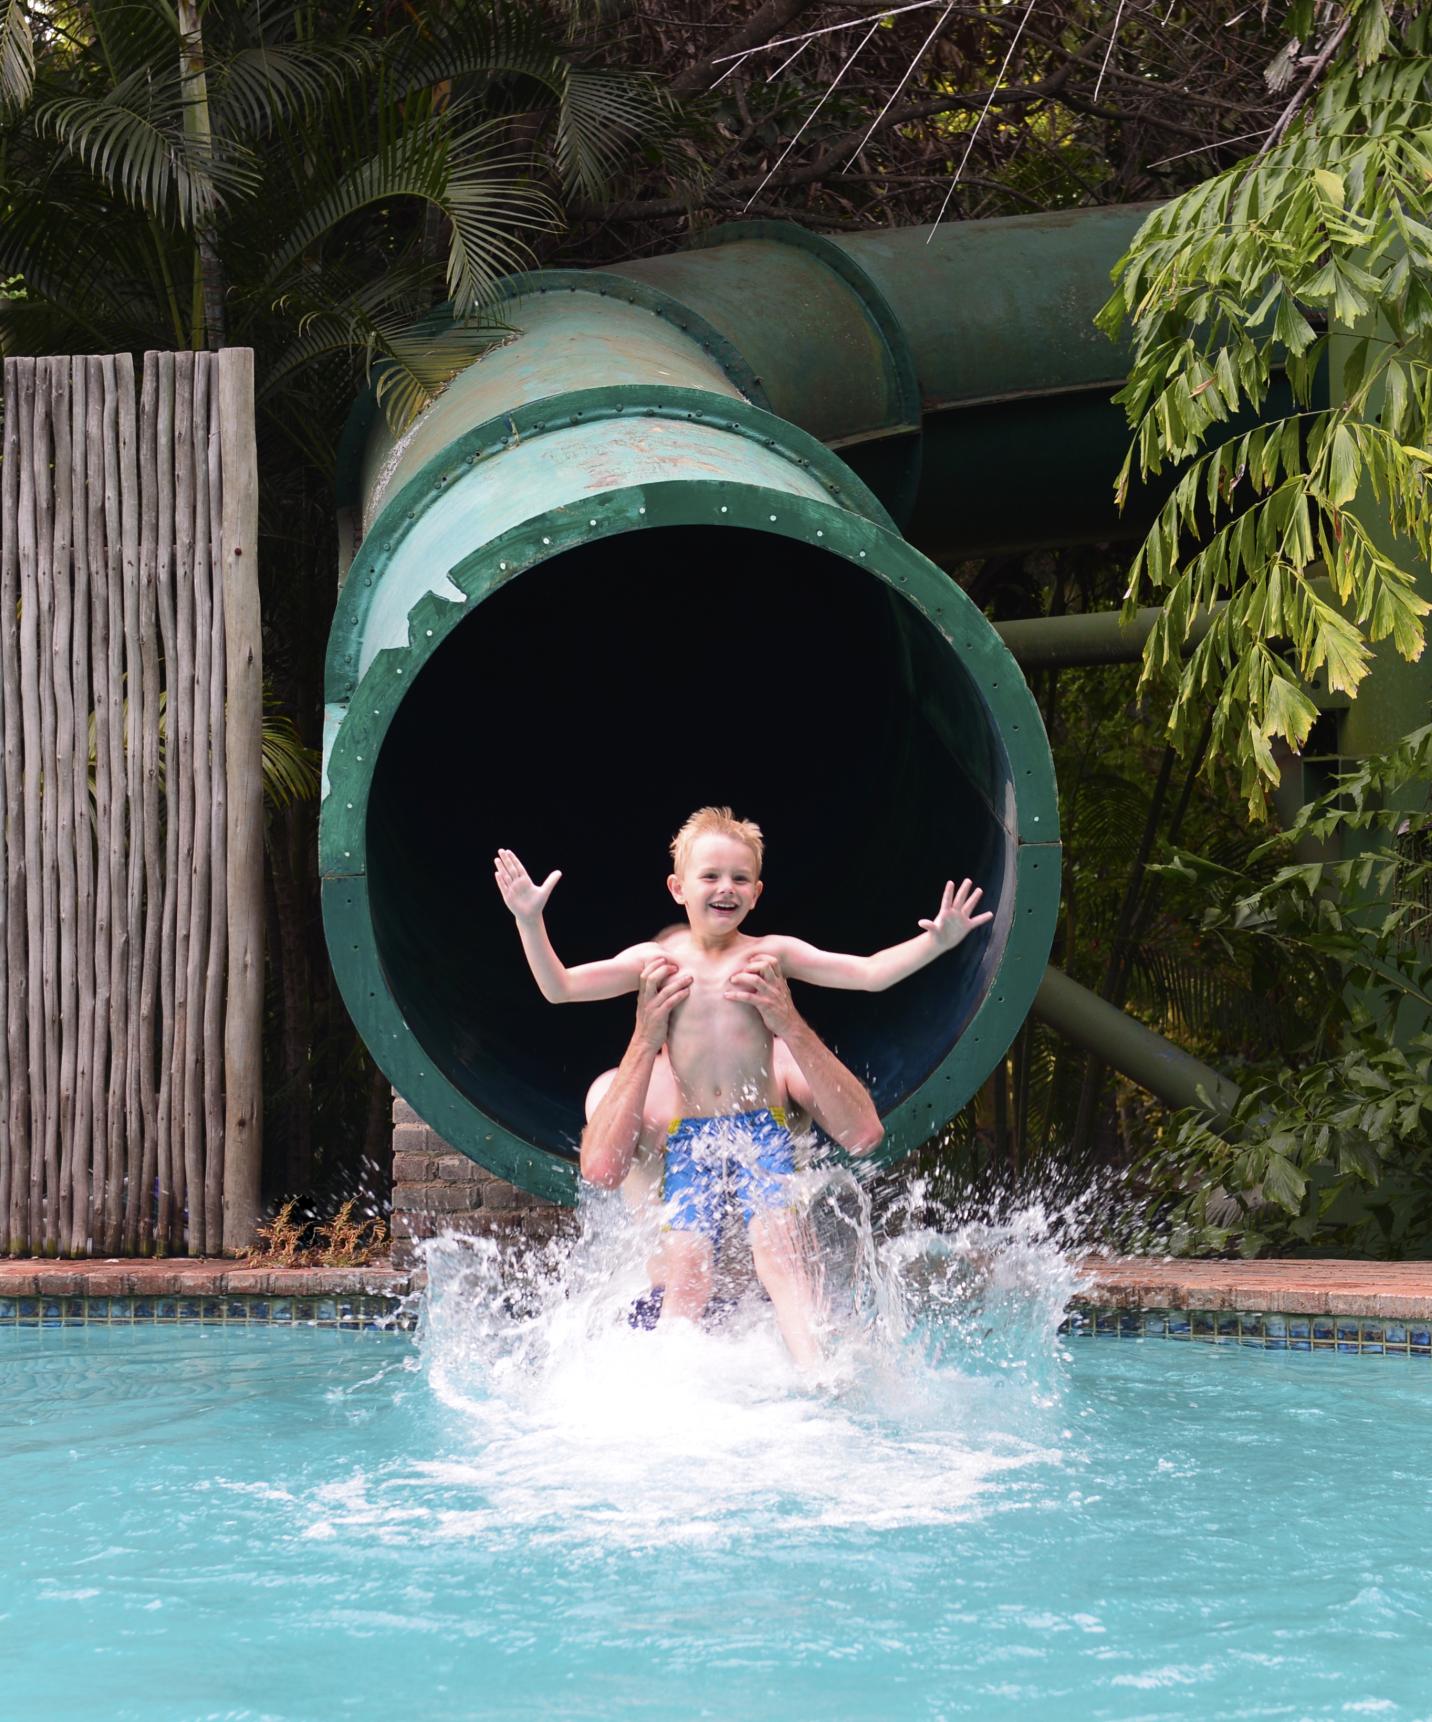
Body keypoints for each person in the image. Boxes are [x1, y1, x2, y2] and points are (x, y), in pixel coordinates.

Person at [495, 806, 992, 1365]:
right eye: (709, 876)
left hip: (761, 1132)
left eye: (738, 878)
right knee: (687, 1272)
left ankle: (816, 1371)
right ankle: (670, 1382)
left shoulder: (768, 954)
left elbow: (870, 972)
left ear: (756, 892)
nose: (724, 889)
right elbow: (559, 988)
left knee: (778, 1256)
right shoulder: (654, 961)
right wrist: (528, 920)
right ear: (677, 888)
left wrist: (939, 942)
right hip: (691, 1139)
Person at [580, 949, 884, 1365]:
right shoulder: (627, 1085)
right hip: (670, 1310)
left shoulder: (778, 1066)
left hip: (778, 1312)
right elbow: (600, 1169)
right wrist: (643, 1038)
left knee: (825, 1360)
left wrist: (791, 1025)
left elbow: (863, 1134)